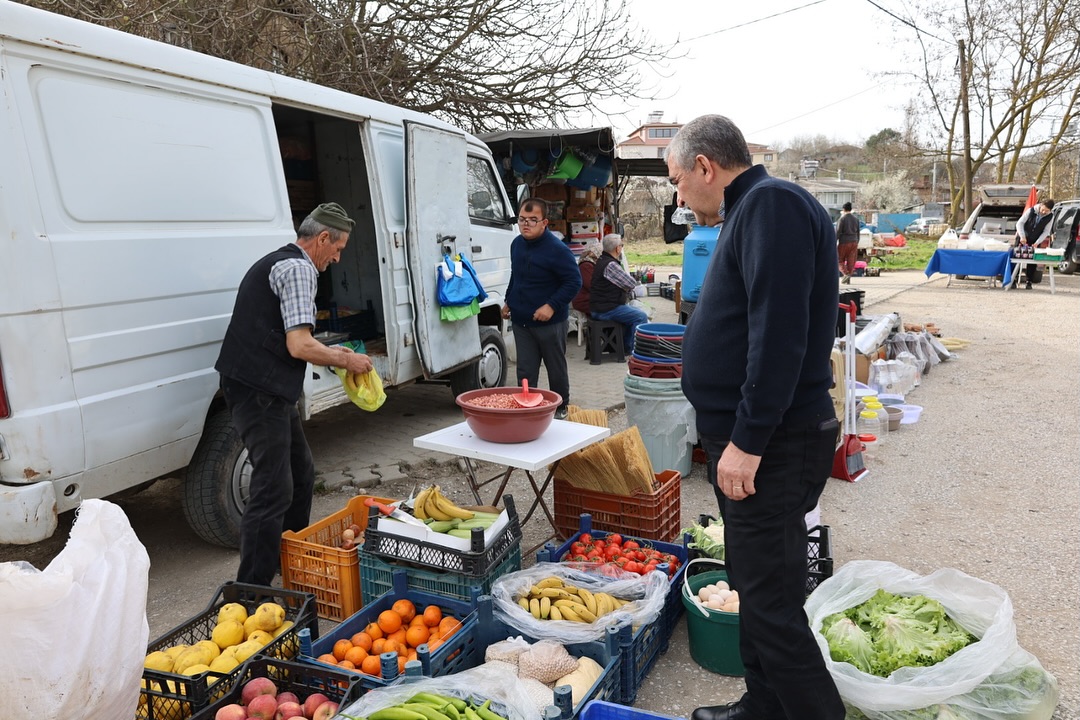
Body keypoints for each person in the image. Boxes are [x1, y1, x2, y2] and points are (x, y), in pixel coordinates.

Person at [667, 115, 844, 720]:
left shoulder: (772, 206)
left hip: (774, 441)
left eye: (677, 180)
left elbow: (780, 335)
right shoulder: (751, 210)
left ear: (705, 167)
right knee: (756, 583)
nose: (678, 195)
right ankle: (765, 707)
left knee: (770, 607)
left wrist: (746, 439)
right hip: (757, 440)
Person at [215, 202, 373, 586]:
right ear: (322, 239)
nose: (336, 258)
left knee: (301, 476)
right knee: (272, 489)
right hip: (259, 390)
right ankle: (250, 591)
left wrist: (336, 355)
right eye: (337, 249)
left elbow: (292, 335)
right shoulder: (300, 268)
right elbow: (299, 345)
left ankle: (289, 560)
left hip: (266, 387)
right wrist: (343, 359)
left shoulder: (280, 261)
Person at [501, 198, 581, 419]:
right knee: (525, 370)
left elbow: (574, 282)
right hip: (522, 321)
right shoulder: (516, 244)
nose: (526, 224)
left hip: (550, 323)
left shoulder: (557, 250)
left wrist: (551, 306)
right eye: (522, 219)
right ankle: (528, 409)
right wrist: (509, 300)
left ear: (544, 222)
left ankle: (561, 407)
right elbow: (516, 275)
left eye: (532, 220)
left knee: (555, 367)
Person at [589, 234, 649, 353]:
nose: (621, 248)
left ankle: (623, 347)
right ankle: (633, 350)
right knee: (641, 316)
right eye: (621, 245)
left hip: (600, 306)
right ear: (617, 248)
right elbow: (630, 283)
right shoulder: (610, 265)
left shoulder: (602, 260)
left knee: (630, 312)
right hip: (605, 309)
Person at [1012, 199, 1055, 289]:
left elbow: (1046, 231)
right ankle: (1013, 280)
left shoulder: (1050, 217)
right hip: (1022, 237)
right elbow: (1020, 223)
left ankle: (1029, 281)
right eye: (1042, 209)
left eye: (1046, 211)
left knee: (1032, 261)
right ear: (1041, 205)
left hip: (1035, 240)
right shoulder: (1031, 210)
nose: (1043, 212)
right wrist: (1022, 236)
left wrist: (1037, 242)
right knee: (1017, 258)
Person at [571, 239, 603, 314]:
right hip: (585, 301)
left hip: (592, 299)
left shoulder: (593, 264)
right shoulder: (586, 265)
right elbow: (592, 285)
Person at [836, 201, 860, 284]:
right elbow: (858, 232)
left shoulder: (842, 219)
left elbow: (838, 231)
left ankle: (846, 274)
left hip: (844, 242)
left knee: (839, 260)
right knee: (851, 261)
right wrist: (857, 242)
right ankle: (848, 279)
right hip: (854, 241)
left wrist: (835, 241)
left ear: (843, 209)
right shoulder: (856, 219)